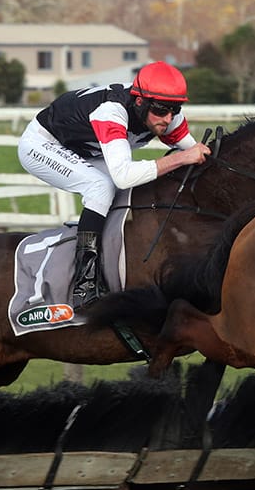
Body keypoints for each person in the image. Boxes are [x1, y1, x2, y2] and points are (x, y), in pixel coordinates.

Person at [17, 61, 211, 310]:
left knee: (138, 184)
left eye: (175, 109)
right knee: (102, 187)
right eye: (162, 110)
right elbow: (124, 176)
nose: (169, 118)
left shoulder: (165, 114)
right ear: (140, 101)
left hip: (86, 149)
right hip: (43, 145)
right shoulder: (111, 112)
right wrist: (181, 158)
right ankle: (84, 284)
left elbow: (196, 155)